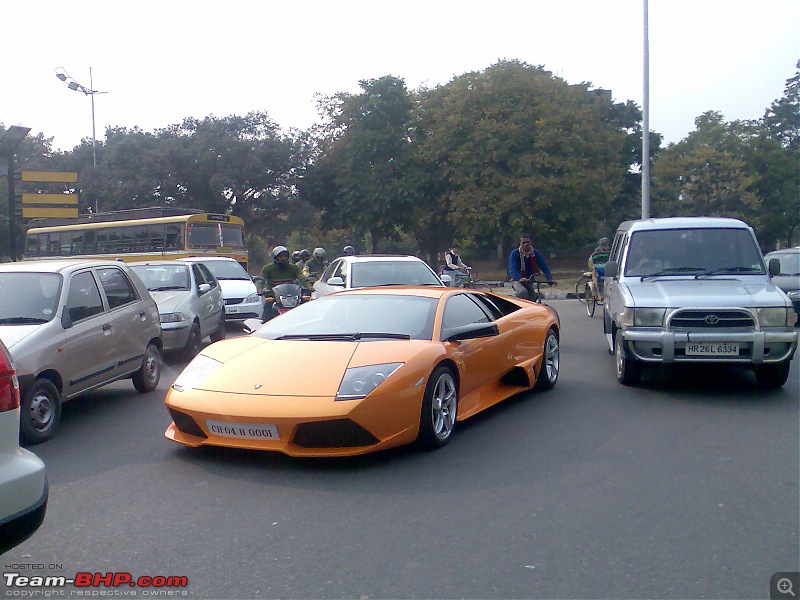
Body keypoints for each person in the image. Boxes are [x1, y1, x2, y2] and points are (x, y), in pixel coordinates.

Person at [259, 246, 308, 322]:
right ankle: (264, 327)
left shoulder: (294, 268)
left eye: (285, 256)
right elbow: (261, 280)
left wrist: (310, 287)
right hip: (274, 297)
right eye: (281, 256)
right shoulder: (267, 268)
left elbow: (302, 277)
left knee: (305, 307)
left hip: (292, 297)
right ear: (275, 257)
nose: (283, 258)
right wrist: (260, 289)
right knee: (267, 310)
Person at [508, 233, 554, 300]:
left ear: (531, 242)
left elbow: (544, 266)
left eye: (528, 242)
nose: (526, 244)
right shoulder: (515, 253)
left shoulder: (535, 253)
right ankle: (515, 303)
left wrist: (549, 278)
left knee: (532, 298)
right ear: (520, 244)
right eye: (523, 242)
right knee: (523, 292)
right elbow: (512, 269)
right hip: (516, 280)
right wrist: (519, 278)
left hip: (529, 280)